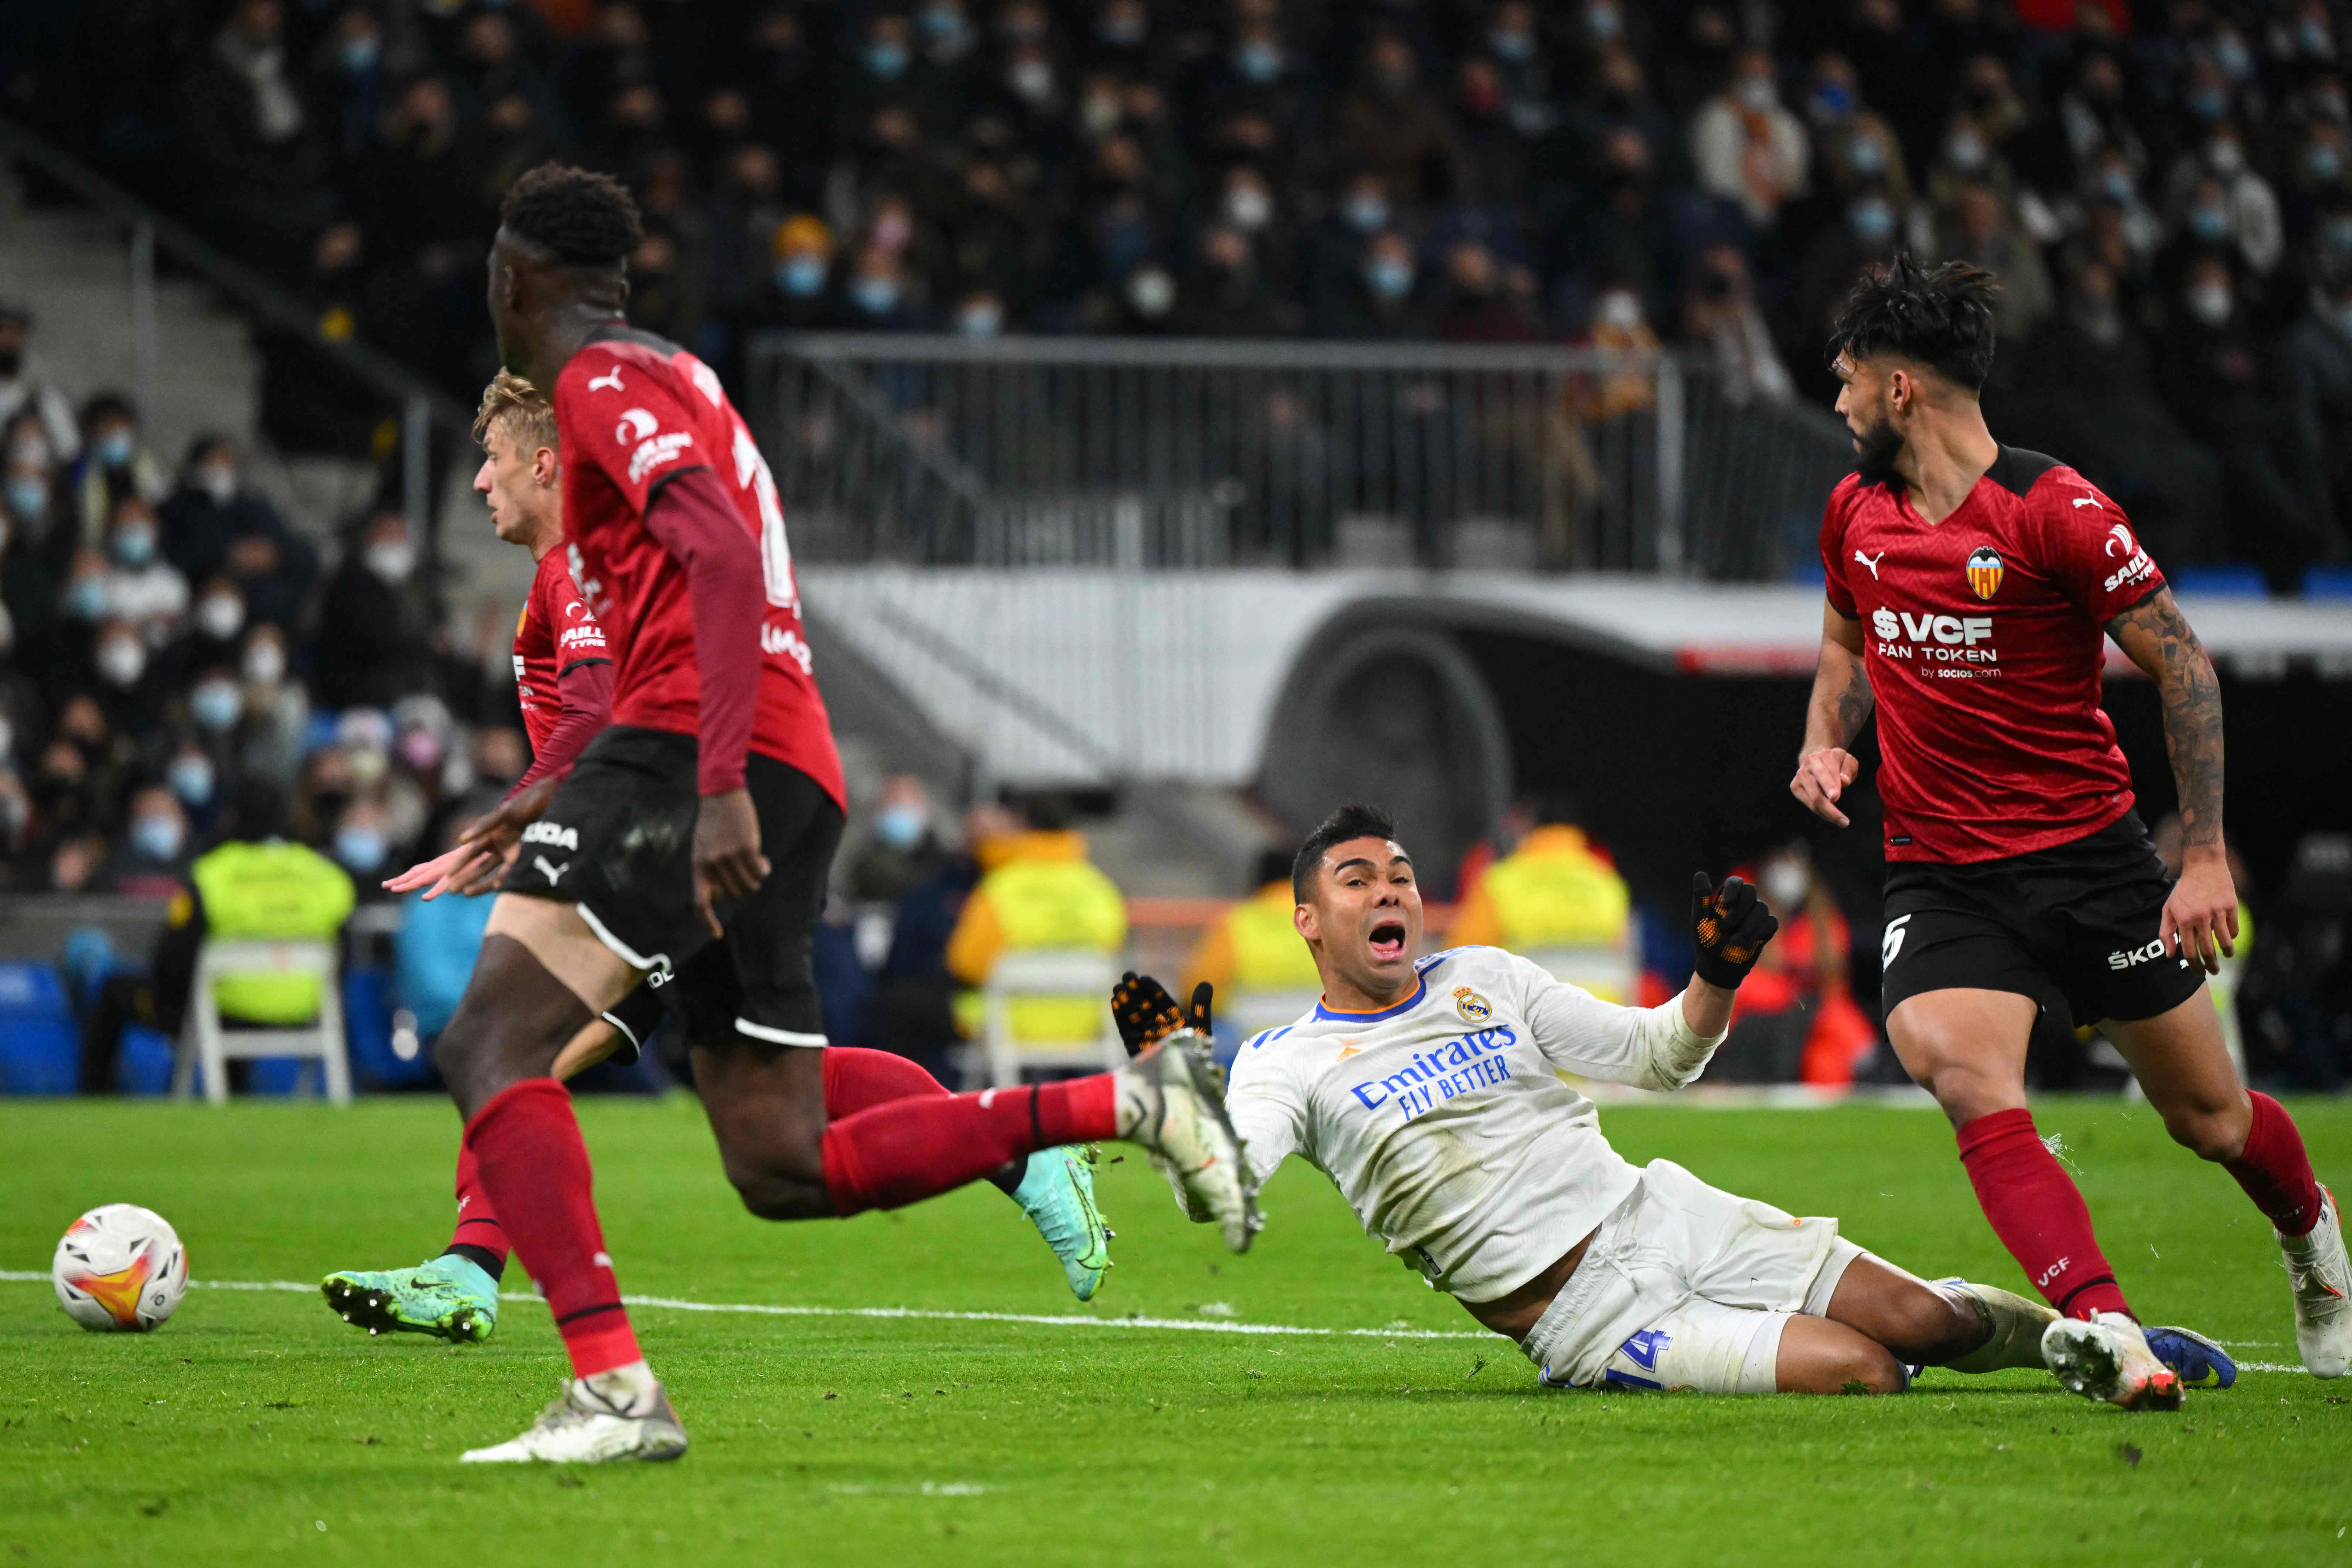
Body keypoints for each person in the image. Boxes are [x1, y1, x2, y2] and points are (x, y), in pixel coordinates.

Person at [429, 165, 1248, 1464]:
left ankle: (611, 1390)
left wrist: (709, 784)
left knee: (492, 1041)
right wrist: (560, 787)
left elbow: (717, 551)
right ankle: (1129, 1104)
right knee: (782, 1163)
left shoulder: (595, 383)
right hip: (785, 758)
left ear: (514, 282)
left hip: (700, 755)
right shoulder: (678, 373)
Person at [1791, 256, 2347, 1408]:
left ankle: (2312, 1243)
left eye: (1848, 380)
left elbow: (2184, 663)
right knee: (1961, 1070)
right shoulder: (1856, 513)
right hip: (1942, 873)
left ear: (1901, 388)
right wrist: (1825, 741)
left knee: (2211, 1119)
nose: (1836, 402)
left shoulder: (2055, 511)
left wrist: (2203, 857)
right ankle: (2110, 1330)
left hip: (2090, 861)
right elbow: (1848, 645)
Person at [1131, 804, 2059, 1397]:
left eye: (1401, 876)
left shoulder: (1486, 976)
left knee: (1931, 1323)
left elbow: (1658, 1058)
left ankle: (2094, 1345)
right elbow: (1217, 1190)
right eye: (1359, 881)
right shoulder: (1286, 1063)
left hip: (1667, 1217)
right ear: (1307, 919)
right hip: (1598, 1321)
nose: (1390, 893)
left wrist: (1715, 979)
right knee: (1865, 1372)